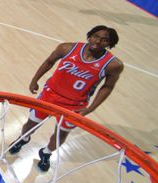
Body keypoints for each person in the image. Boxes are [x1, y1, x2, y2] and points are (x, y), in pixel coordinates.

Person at [8, 25, 124, 171]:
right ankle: (23, 139)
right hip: (49, 95)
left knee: (60, 134)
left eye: (105, 40)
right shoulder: (67, 48)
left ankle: (46, 153)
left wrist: (91, 108)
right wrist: (34, 80)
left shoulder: (113, 65)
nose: (98, 41)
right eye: (96, 36)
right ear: (89, 35)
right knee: (31, 124)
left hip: (75, 105)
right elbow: (49, 61)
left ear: (110, 44)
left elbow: (107, 87)